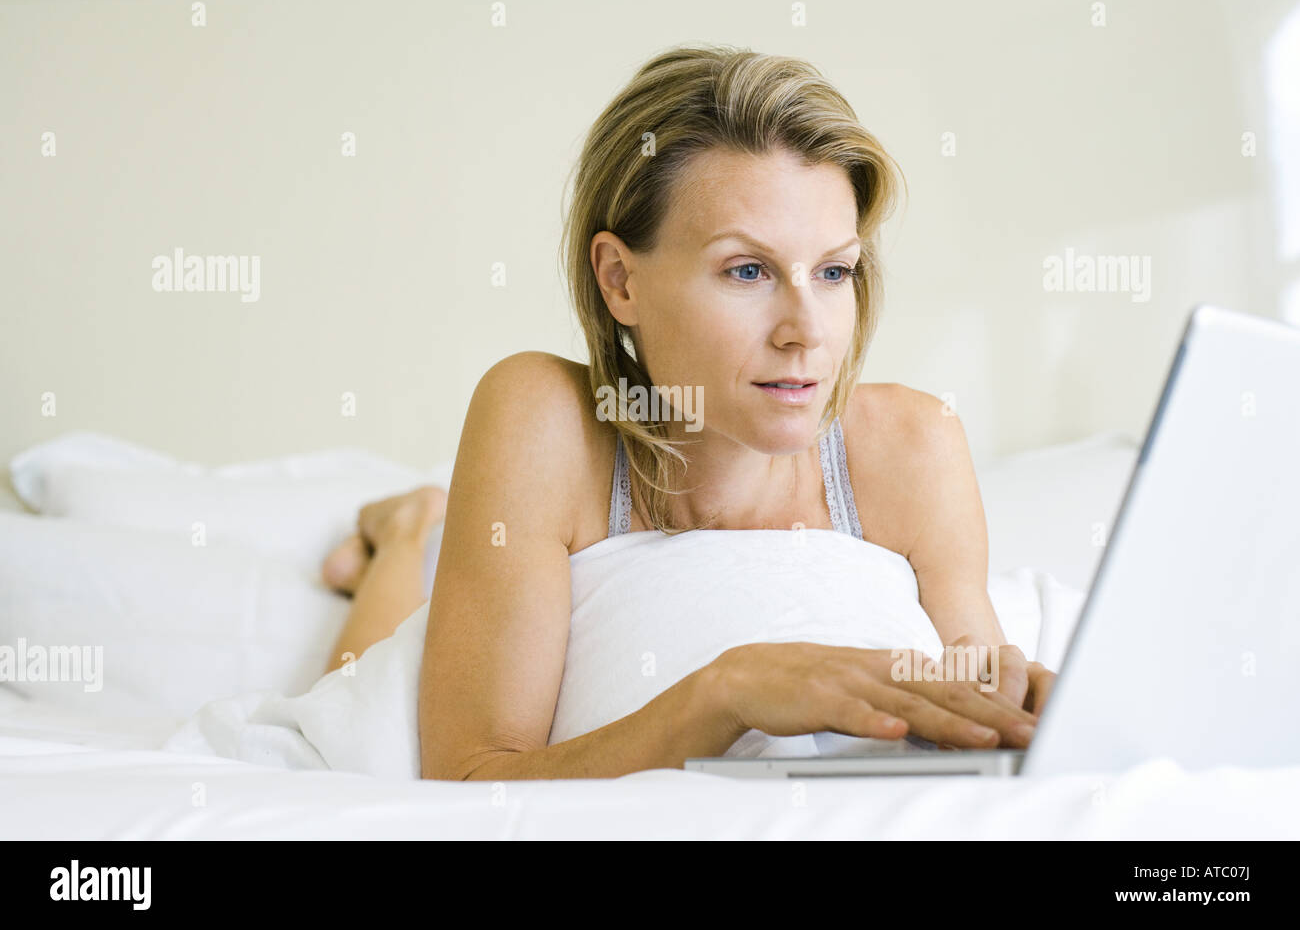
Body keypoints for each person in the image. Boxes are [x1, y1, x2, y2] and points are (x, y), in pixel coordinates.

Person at [322, 44, 1056, 780]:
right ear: (620, 280)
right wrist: (727, 692)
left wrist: (1033, 713)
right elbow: (468, 778)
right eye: (747, 270)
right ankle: (402, 532)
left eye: (834, 271)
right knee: (370, 695)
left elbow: (983, 707)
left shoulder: (913, 445)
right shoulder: (543, 421)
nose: (806, 329)